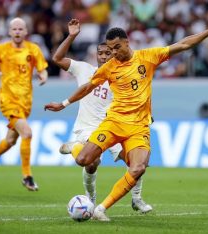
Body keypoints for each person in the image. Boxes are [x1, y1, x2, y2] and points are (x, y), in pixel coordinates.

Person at [45, 17, 208, 221]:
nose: (113, 53)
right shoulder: (108, 68)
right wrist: (64, 103)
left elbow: (184, 44)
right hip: (114, 122)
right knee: (84, 160)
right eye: (109, 50)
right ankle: (76, 147)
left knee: (139, 167)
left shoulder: (148, 57)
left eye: (116, 48)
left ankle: (101, 208)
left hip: (139, 127)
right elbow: (87, 87)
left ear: (127, 42)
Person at [52, 19, 152, 213]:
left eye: (108, 52)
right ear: (95, 55)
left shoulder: (121, 73)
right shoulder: (85, 70)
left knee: (135, 161)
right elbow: (56, 58)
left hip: (114, 125)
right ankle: (90, 199)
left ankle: (137, 199)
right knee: (92, 163)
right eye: (101, 53)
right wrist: (72, 36)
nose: (105, 56)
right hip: (88, 127)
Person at [0, 17, 48, 191]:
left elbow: (42, 69)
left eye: (20, 29)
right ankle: (27, 176)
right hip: (8, 99)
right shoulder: (1, 49)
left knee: (11, 140)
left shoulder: (33, 49)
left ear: (26, 32)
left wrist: (43, 76)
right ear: (9, 32)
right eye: (14, 29)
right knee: (27, 133)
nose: (17, 32)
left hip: (26, 102)